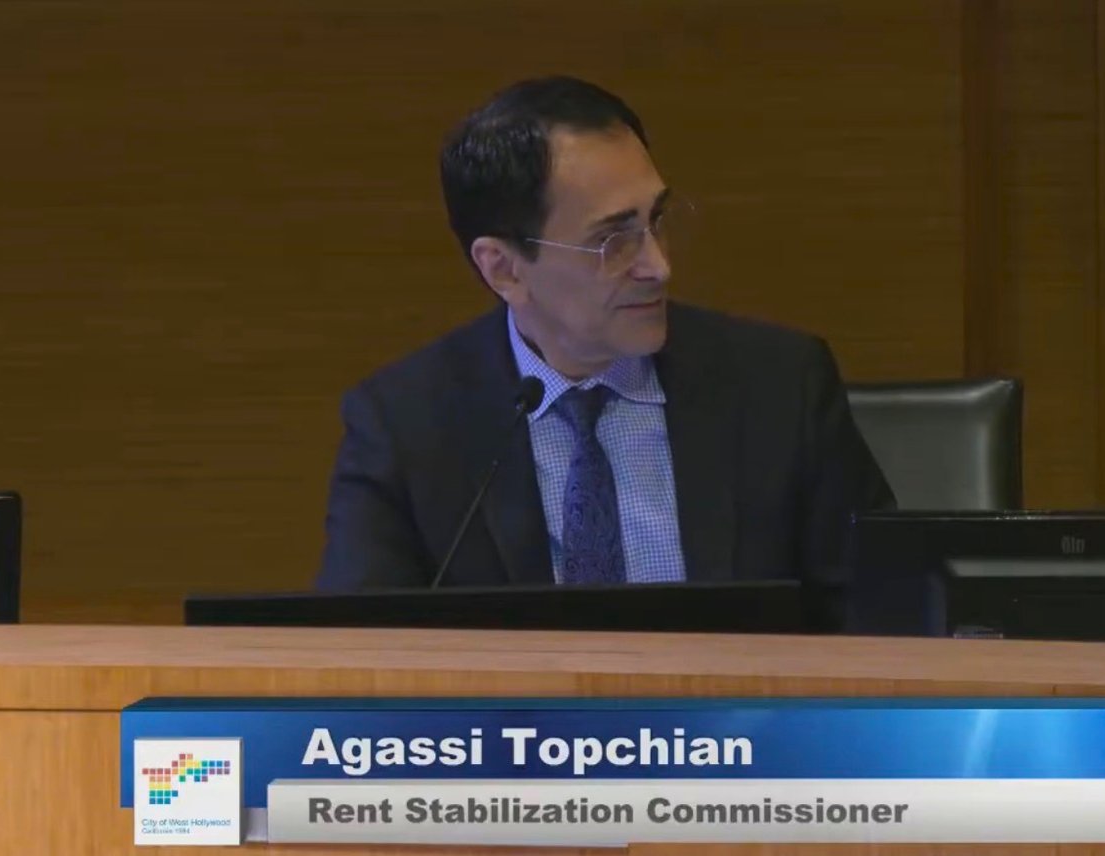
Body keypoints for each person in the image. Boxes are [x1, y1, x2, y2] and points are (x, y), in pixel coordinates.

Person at [313, 75, 895, 596]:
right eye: (613, 241)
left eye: (656, 220)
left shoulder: (781, 386)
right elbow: (359, 651)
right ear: (504, 269)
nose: (658, 266)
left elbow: (885, 613)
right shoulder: (404, 426)